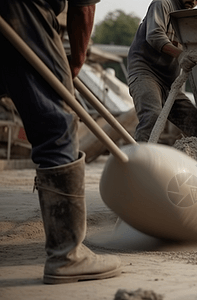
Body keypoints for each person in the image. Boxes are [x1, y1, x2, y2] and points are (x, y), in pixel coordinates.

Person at [0, 0, 121, 284]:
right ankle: (67, 256)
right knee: (57, 122)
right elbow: (83, 6)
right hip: (22, 9)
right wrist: (76, 61)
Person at [127, 0, 197, 143]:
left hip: (170, 83)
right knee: (152, 117)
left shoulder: (190, 17)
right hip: (146, 73)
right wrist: (180, 55)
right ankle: (142, 161)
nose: (193, 1)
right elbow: (154, 35)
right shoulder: (163, 3)